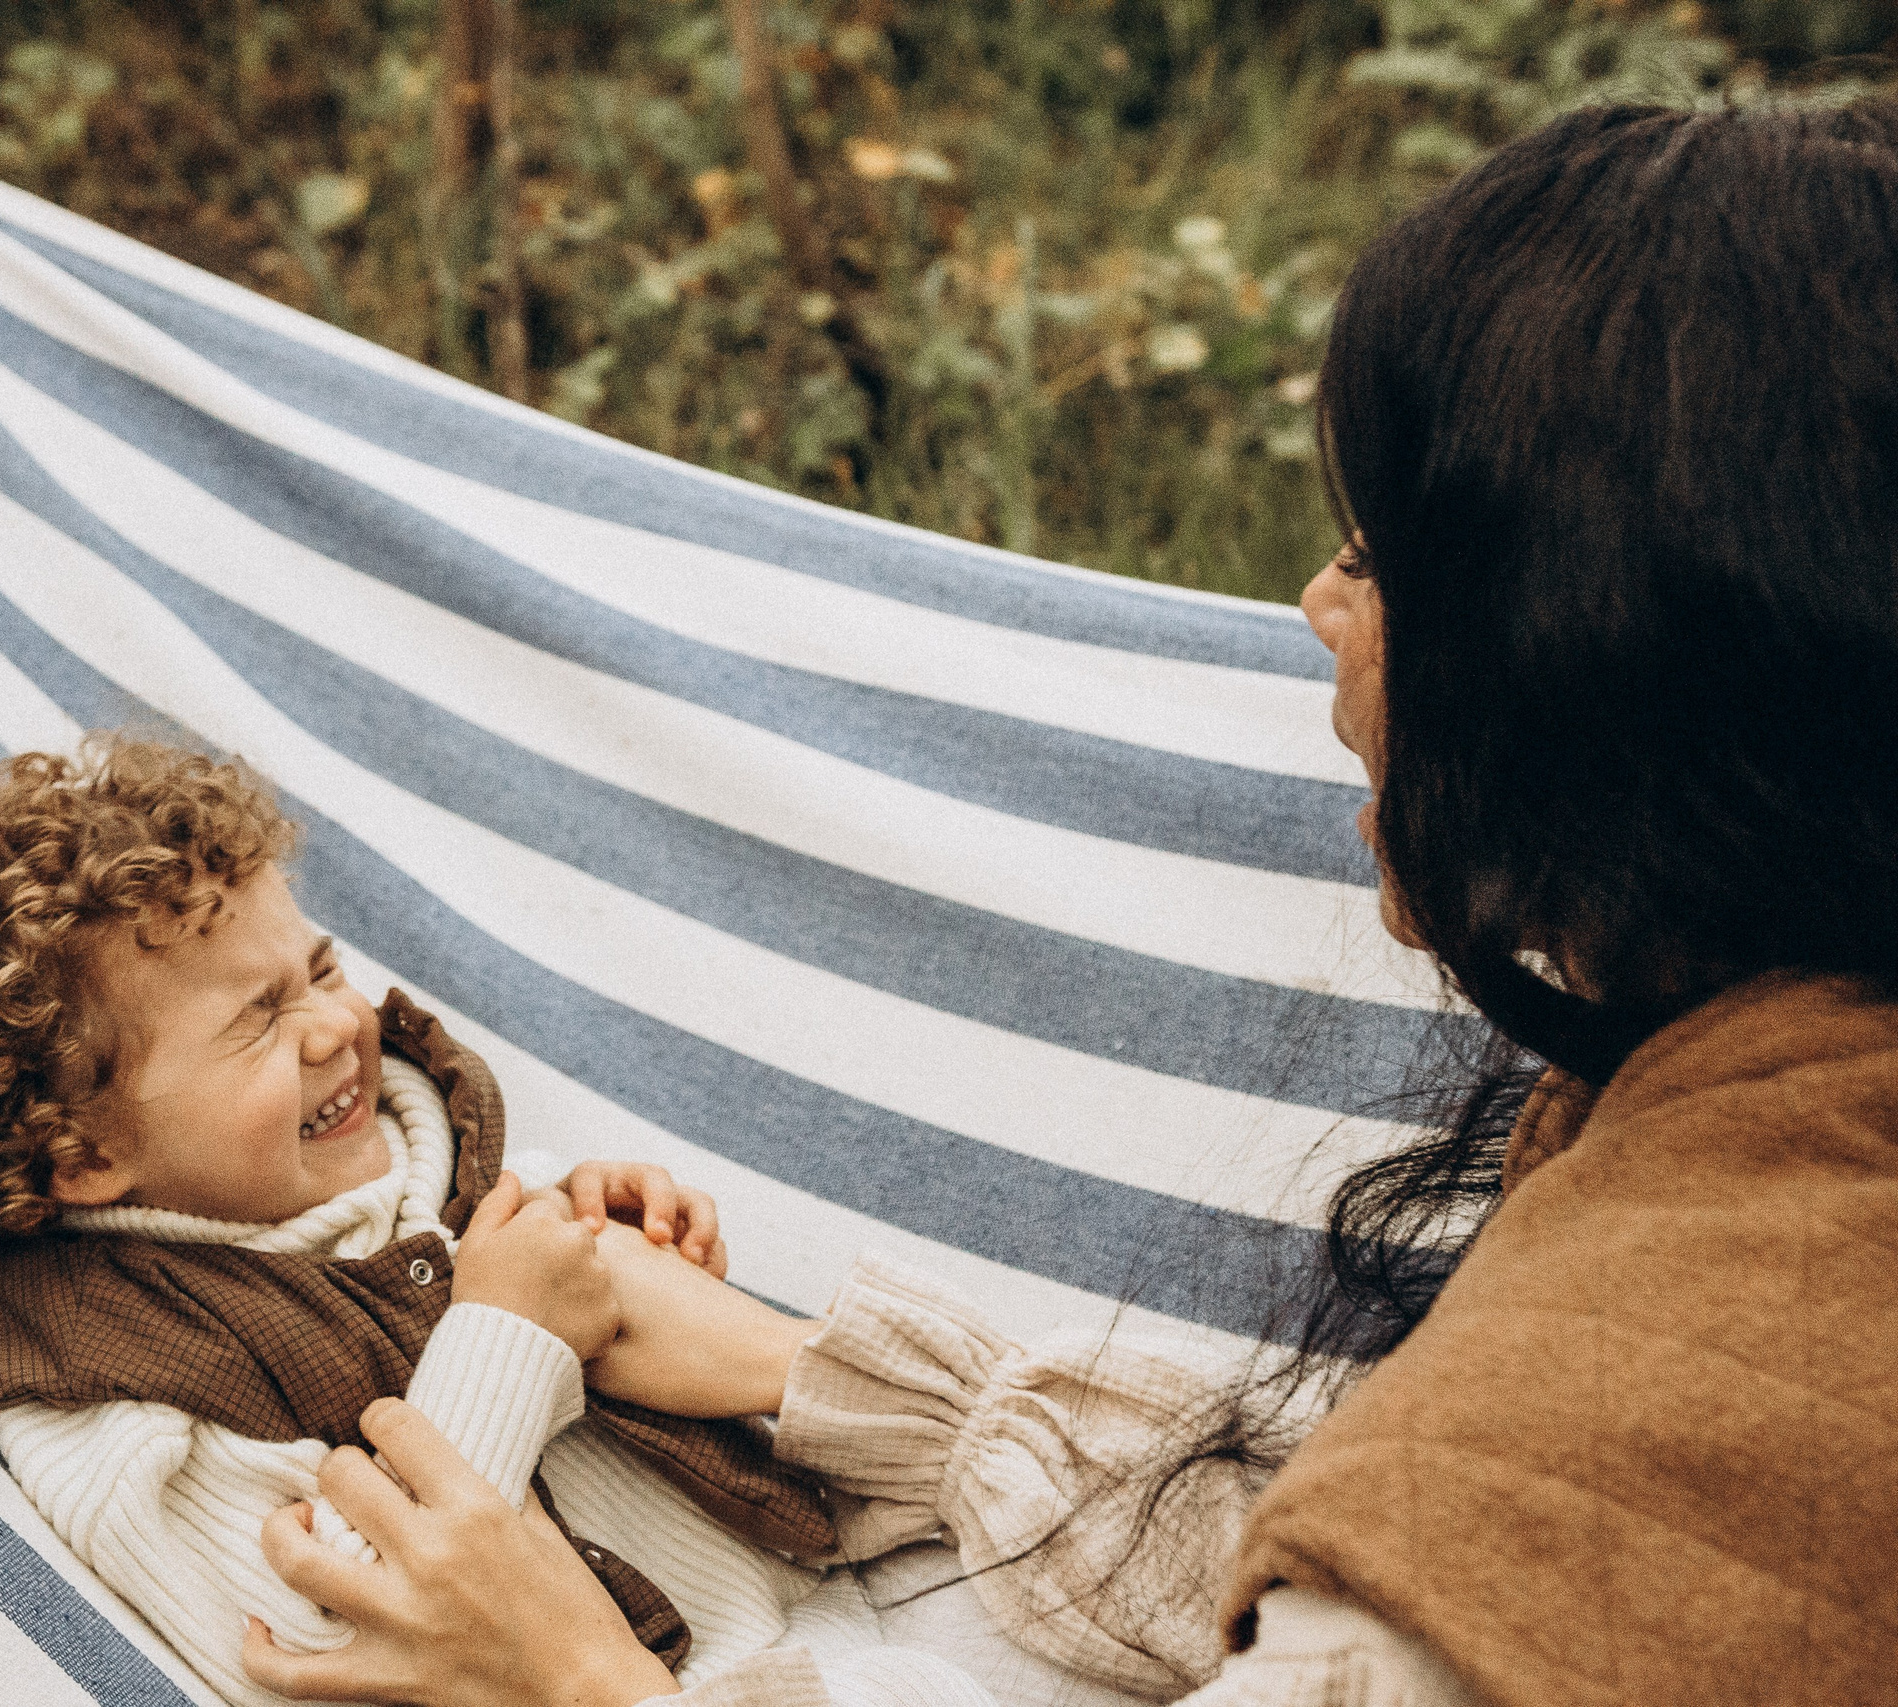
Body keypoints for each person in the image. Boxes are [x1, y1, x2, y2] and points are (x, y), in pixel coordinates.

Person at [231, 100, 1898, 1707]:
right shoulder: (1771, 1116)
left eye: (1379, 555)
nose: (1315, 602)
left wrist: (573, 1679)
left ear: (1590, 650)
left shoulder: (1663, 1367)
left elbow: (1464, 1578)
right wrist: (818, 1374)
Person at [0, 736, 965, 1707]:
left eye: (319, 971)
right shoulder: (108, 1383)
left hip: (856, 1587)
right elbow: (307, 1638)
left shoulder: (427, 1163)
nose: (334, 1025)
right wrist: (510, 1337)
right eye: (258, 1019)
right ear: (85, 1156)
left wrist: (609, 1230)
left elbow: (606, 1335)